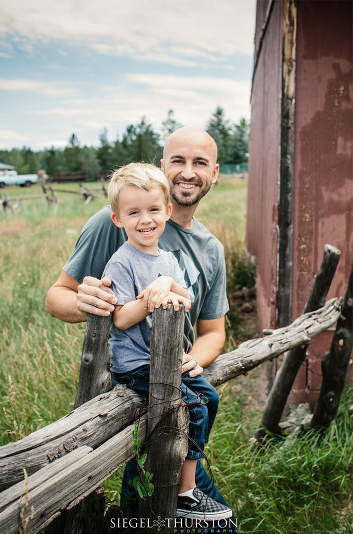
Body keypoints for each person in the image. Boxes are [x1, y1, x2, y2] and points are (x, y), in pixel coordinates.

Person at [46, 127, 235, 529]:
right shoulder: (115, 222)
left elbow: (214, 332)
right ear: (163, 167)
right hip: (138, 385)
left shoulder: (209, 249)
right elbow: (57, 295)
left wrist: (190, 361)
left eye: (199, 162)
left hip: (175, 387)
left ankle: (178, 496)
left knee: (208, 519)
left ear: (214, 173)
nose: (188, 171)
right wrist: (88, 303)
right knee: (148, 507)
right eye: (178, 161)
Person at [103, 162, 231, 521]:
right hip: (136, 365)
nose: (146, 220)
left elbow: (186, 299)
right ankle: (185, 492)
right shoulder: (122, 262)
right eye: (134, 212)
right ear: (118, 219)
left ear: (167, 211)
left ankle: (182, 479)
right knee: (192, 405)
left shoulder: (169, 260)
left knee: (210, 397)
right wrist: (151, 296)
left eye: (154, 210)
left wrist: (168, 285)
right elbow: (120, 317)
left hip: (165, 360)